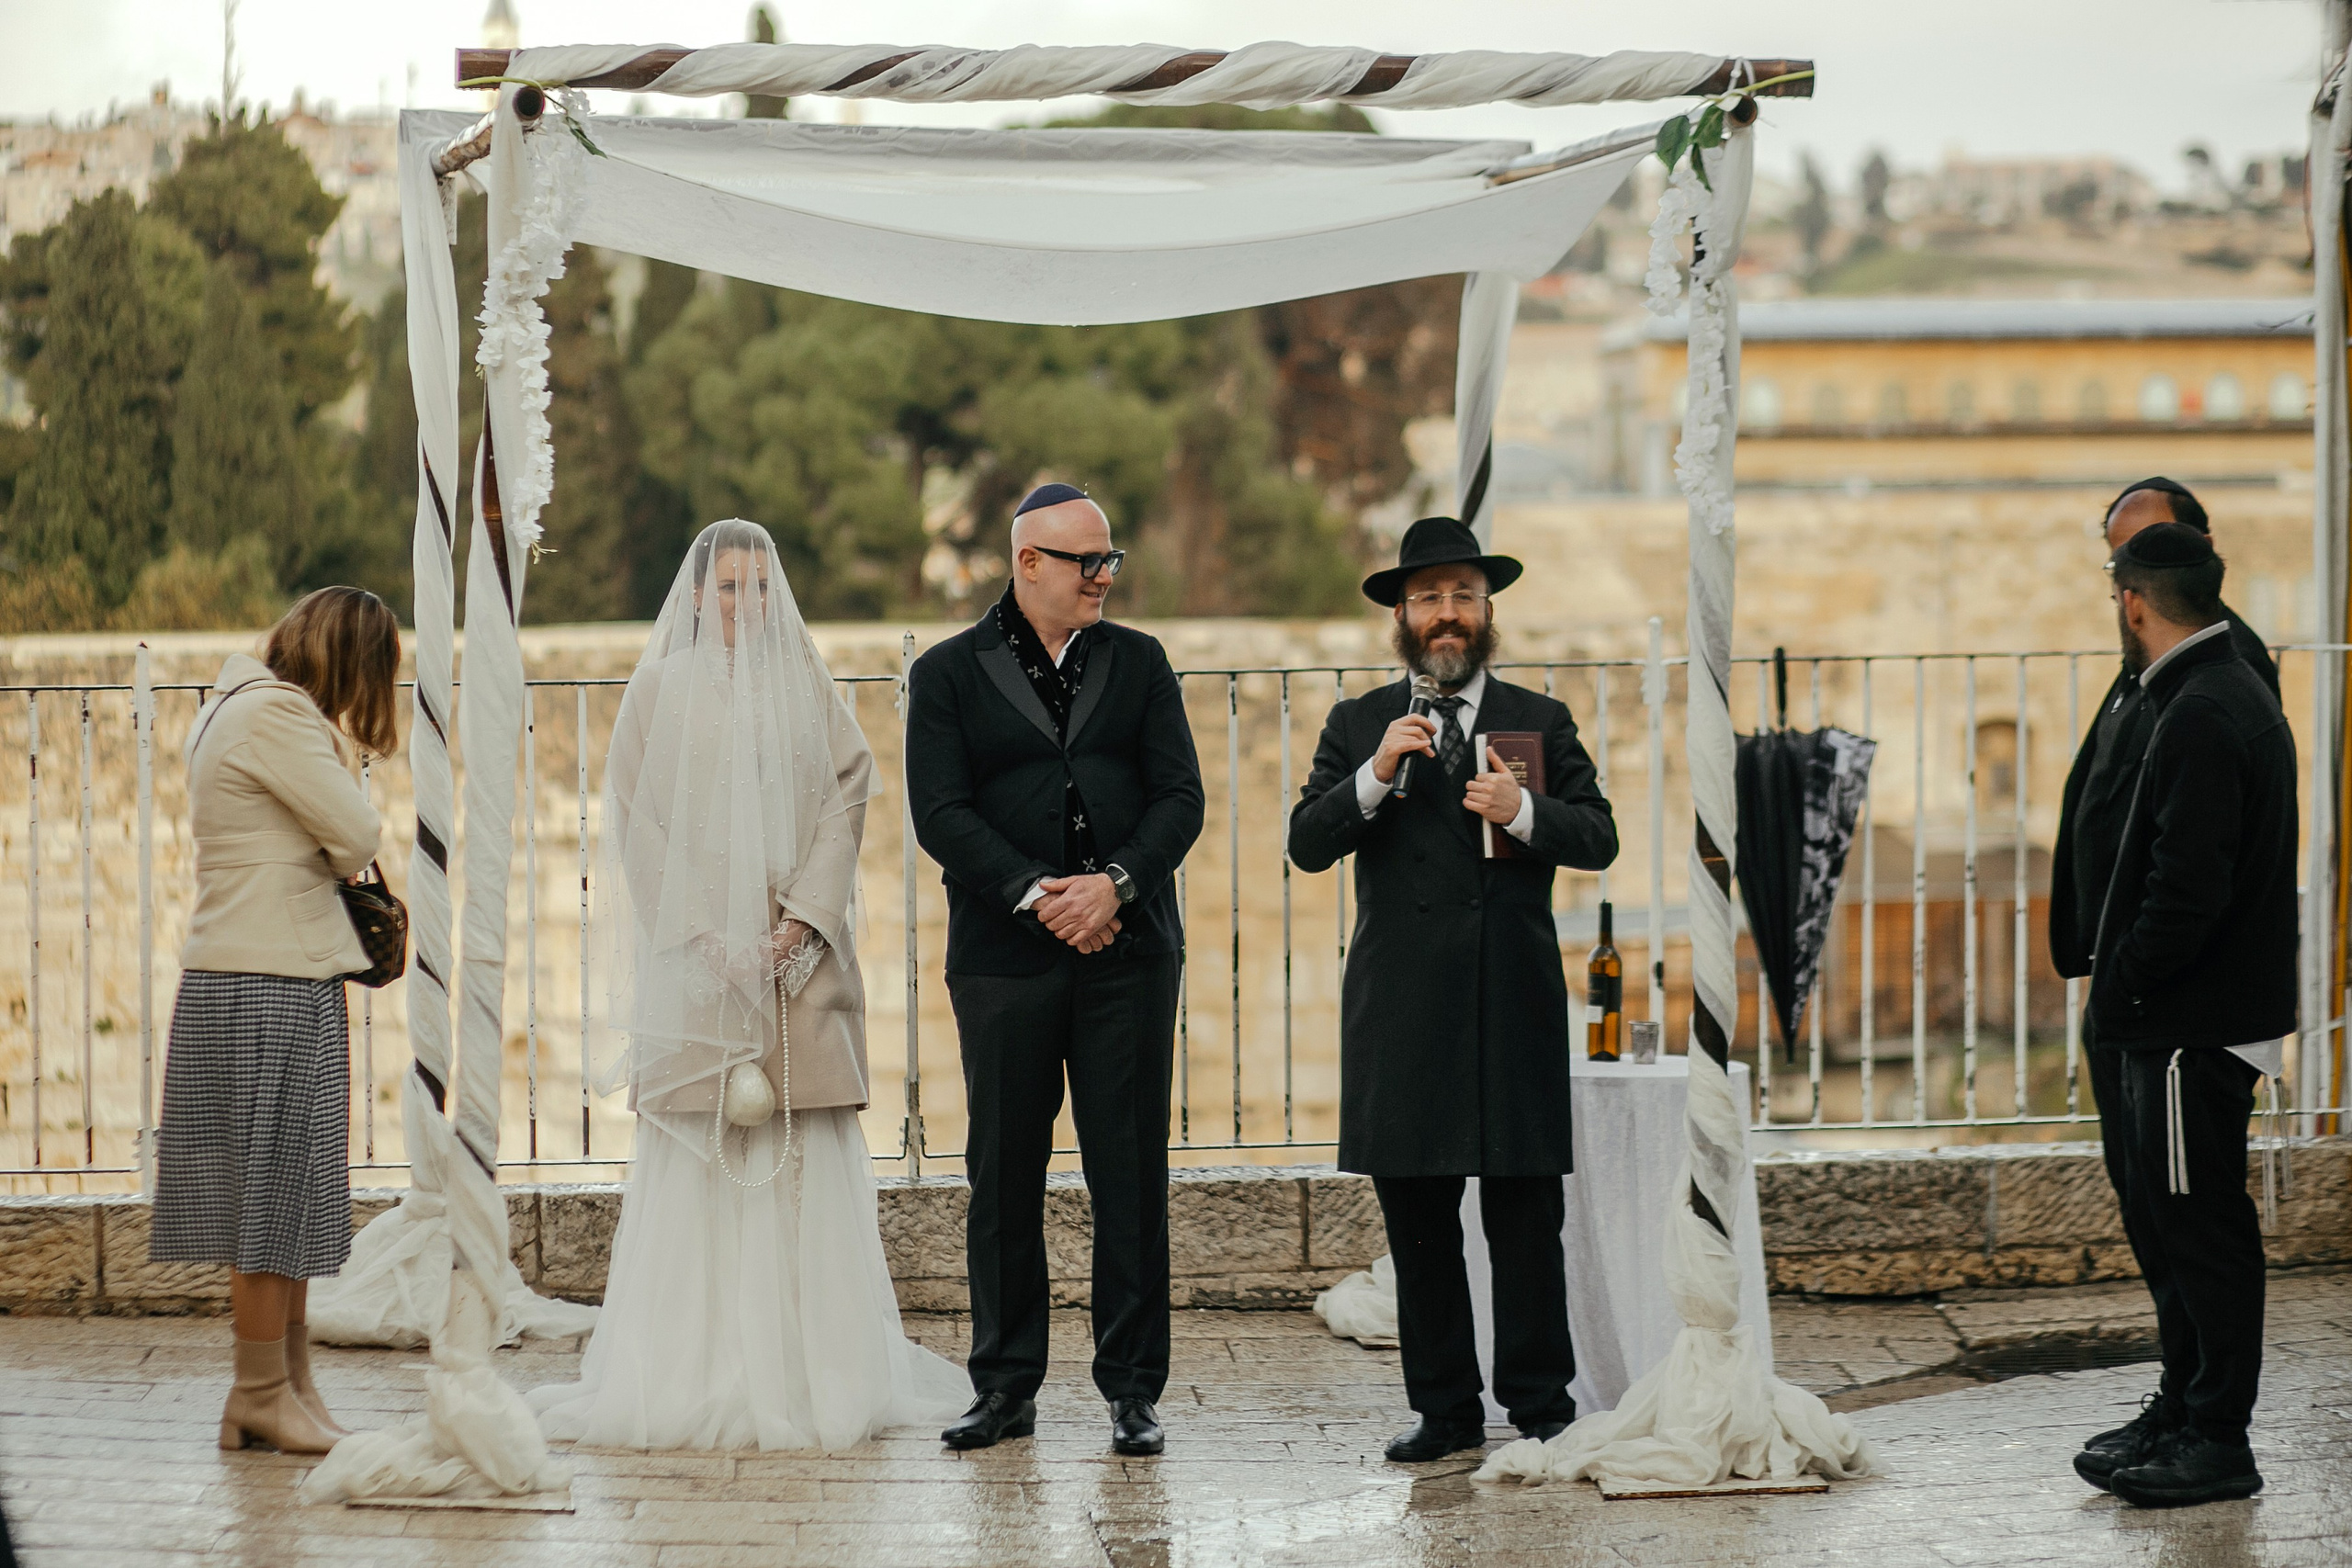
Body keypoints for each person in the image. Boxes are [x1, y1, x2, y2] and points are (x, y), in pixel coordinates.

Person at [528, 520, 970, 1451]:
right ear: (698, 596)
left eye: (760, 588)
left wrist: (800, 919)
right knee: (701, 1155)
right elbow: (637, 818)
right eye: (728, 588)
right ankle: (696, 1367)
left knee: (801, 1151)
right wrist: (703, 933)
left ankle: (814, 1369)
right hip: (699, 966)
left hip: (789, 959)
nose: (746, 605)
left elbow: (849, 793)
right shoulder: (657, 689)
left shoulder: (807, 683)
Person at [1287, 516, 1618, 1463]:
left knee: (1524, 1215)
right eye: (1428, 596)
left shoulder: (1537, 720)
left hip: (1510, 995)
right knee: (1420, 1218)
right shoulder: (1359, 724)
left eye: (1463, 596)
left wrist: (1526, 810)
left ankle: (1540, 1401)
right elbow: (1308, 844)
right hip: (1402, 1006)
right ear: (1401, 611)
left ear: (1486, 610)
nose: (1447, 614)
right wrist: (1378, 772)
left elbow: (1598, 838)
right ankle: (1444, 1410)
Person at [906, 483, 1204, 1456]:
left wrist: (1114, 885)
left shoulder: (1142, 661)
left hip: (1130, 951)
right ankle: (1003, 1388)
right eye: (1087, 562)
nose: (1105, 576)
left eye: (1110, 560)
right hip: (1003, 961)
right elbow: (940, 814)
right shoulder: (950, 672)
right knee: (1002, 1175)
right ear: (1027, 561)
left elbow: (1180, 797)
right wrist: (1042, 895)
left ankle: (1131, 1391)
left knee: (1129, 1173)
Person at [2052, 521, 2296, 1507]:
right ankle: (2184, 1406)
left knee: (2200, 1231)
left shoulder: (2200, 709)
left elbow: (2182, 891)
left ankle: (2217, 1437)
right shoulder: (2218, 689)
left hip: (2183, 1026)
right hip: (2179, 1019)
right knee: (2174, 1223)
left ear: (2132, 602)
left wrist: (2122, 996)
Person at [152, 586, 399, 1453]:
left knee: (282, 1194)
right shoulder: (281, 718)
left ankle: (283, 1386)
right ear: (345, 661)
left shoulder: (231, 706)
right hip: (272, 979)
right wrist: (338, 763)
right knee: (270, 1198)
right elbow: (357, 833)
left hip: (244, 973)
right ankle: (260, 1390)